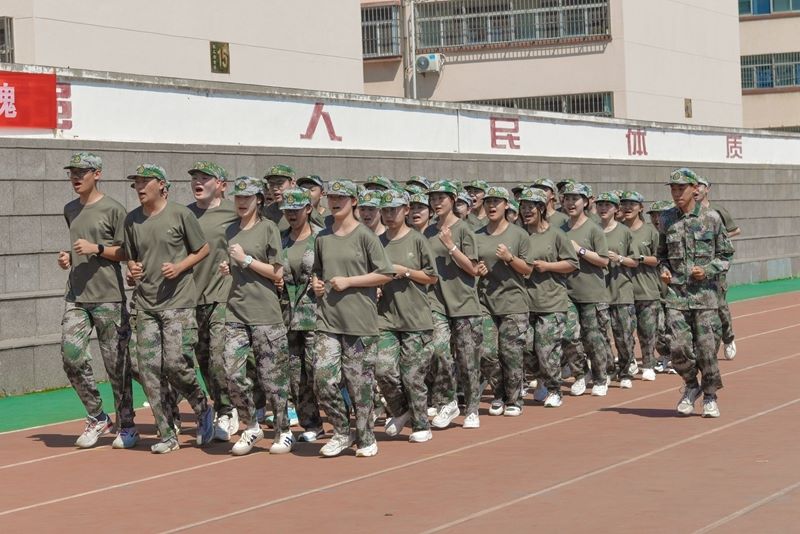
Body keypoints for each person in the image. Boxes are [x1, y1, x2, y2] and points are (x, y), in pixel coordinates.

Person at [123, 164, 214, 454]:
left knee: (175, 364)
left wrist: (179, 267)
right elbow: (131, 258)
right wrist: (132, 270)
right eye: (136, 183)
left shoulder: (180, 214)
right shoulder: (132, 220)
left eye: (145, 182)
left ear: (162, 185)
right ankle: (166, 433)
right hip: (146, 304)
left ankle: (202, 407)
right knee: (148, 370)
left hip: (178, 302)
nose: (139, 187)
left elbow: (202, 249)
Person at [59, 152, 136, 449]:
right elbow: (77, 245)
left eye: (82, 172)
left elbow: (127, 252)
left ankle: (127, 425)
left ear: (97, 174)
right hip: (76, 296)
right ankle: (97, 415)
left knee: (117, 365)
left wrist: (97, 248)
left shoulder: (114, 209)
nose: (76, 178)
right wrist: (68, 256)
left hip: (109, 298)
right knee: (71, 356)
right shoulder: (69, 209)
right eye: (72, 173)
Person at [311, 179, 394, 457]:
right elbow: (318, 271)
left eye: (342, 197)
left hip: (359, 322)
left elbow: (385, 273)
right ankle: (340, 431)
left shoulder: (365, 236)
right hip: (328, 320)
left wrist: (350, 282)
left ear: (354, 201)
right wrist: (317, 284)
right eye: (332, 197)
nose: (335, 202)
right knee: (323, 378)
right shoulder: (322, 237)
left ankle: (366, 436)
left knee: (360, 385)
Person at [219, 176, 293, 455]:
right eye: (238, 197)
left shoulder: (268, 228)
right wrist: (228, 268)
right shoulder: (229, 230)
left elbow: (277, 272)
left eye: (247, 197)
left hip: (265, 313)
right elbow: (234, 264)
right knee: (232, 372)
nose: (241, 202)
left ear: (259, 200)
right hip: (236, 311)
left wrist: (246, 260)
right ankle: (252, 425)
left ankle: (284, 430)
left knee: (273, 378)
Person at [657, 168, 734, 418]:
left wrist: (708, 270)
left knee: (707, 350)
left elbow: (726, 254)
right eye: (673, 189)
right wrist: (664, 270)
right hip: (677, 295)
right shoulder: (666, 219)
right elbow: (661, 255)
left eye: (681, 188)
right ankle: (691, 385)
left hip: (706, 296)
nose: (677, 193)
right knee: (677, 348)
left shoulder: (712, 218)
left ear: (694, 189)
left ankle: (710, 396)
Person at [375, 189, 439, 442]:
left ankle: (421, 425)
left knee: (413, 376)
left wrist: (407, 272)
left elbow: (432, 277)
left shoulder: (417, 240)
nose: (389, 215)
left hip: (415, 318)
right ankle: (402, 410)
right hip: (385, 318)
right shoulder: (377, 242)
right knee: (382, 370)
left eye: (394, 210)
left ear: (406, 210)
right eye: (385, 210)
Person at [186, 161, 240, 442]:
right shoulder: (185, 215)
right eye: (195, 177)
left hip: (224, 295)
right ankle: (220, 406)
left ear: (221, 185)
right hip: (193, 296)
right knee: (204, 360)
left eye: (205, 178)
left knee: (219, 358)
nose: (198, 182)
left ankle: (228, 409)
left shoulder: (235, 212)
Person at [424, 180, 484, 429]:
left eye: (441, 198)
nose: (436, 203)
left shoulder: (464, 230)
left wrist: (451, 246)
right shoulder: (428, 232)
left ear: (453, 200)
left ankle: (472, 408)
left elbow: (473, 269)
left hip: (463, 303)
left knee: (468, 360)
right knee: (438, 351)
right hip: (436, 301)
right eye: (433, 198)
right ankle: (447, 402)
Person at [474, 187, 533, 417]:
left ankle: (514, 399)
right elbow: (470, 266)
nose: (492, 206)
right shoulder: (477, 235)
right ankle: (498, 393)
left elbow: (527, 270)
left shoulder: (519, 235)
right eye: (488, 202)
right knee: (486, 352)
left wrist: (510, 258)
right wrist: (476, 270)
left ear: (506, 205)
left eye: (496, 202)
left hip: (513, 302)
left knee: (511, 353)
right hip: (485, 302)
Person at [519, 188, 578, 407]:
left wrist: (548, 266)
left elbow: (572, 263)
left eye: (531, 207)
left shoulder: (556, 234)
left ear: (541, 209)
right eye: (523, 207)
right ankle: (542, 377)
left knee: (546, 350)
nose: (526, 211)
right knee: (526, 349)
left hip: (551, 301)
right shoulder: (519, 235)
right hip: (525, 302)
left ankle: (554, 389)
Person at [279, 188, 325, 443]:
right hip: (289, 317)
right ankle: (312, 423)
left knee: (319, 373)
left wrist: (323, 282)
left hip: (316, 316)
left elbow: (333, 268)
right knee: (295, 377)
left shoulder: (321, 238)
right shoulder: (281, 240)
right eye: (287, 210)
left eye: (296, 209)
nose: (291, 214)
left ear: (308, 209)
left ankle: (344, 418)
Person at [560, 182, 613, 397]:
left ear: (585, 202)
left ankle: (601, 377)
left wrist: (579, 250)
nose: (571, 203)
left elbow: (604, 260)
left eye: (575, 199)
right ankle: (581, 373)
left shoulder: (594, 229)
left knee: (593, 338)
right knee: (568, 335)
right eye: (567, 199)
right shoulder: (560, 230)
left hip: (592, 293)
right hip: (566, 292)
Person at [595, 192, 639, 389]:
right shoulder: (593, 229)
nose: (603, 208)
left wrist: (619, 258)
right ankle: (609, 369)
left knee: (624, 336)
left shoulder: (624, 232)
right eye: (600, 205)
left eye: (608, 205)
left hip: (621, 290)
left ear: (616, 209)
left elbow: (635, 261)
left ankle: (625, 371)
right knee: (600, 335)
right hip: (598, 291)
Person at [696, 176, 740, 360]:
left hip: (715, 266)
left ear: (707, 189)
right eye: (693, 186)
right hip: (694, 267)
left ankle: (728, 338)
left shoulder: (717, 211)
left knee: (720, 306)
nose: (696, 189)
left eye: (700, 186)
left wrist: (717, 238)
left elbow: (735, 230)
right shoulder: (686, 212)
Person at [621, 191, 661, 381]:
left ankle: (648, 364)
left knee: (647, 331)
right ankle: (629, 362)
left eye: (633, 204)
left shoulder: (650, 231)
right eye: (624, 204)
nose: (628, 208)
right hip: (622, 289)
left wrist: (641, 258)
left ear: (641, 208)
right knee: (624, 332)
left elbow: (659, 258)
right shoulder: (617, 229)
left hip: (646, 289)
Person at [262, 164, 296, 231]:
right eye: (271, 184)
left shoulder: (304, 209)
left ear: (292, 183)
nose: (275, 188)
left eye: (280, 183)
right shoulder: (266, 212)